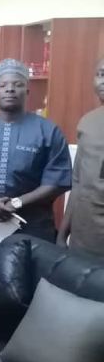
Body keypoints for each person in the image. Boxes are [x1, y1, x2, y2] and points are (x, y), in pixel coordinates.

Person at [0, 58, 72, 242]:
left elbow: (57, 182)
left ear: (27, 91)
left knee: (32, 270)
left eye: (18, 84)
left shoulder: (48, 131)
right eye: (2, 84)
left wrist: (17, 203)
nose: (10, 89)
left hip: (34, 225)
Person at [57, 57, 104, 256]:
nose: (103, 81)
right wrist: (62, 233)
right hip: (84, 236)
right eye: (100, 74)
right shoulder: (87, 122)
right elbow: (78, 183)